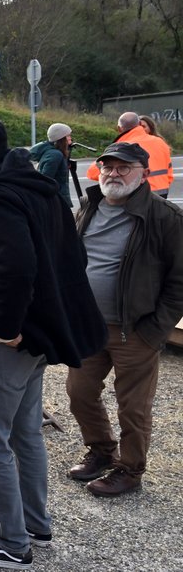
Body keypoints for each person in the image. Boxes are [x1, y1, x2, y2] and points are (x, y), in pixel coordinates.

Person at [0, 113, 104, 570]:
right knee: (25, 432)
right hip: (38, 334)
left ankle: (13, 543)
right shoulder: (35, 184)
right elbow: (70, 251)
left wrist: (7, 326)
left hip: (6, 339)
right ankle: (36, 524)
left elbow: (15, 266)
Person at [67, 142, 183, 497]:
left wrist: (154, 330)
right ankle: (101, 449)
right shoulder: (88, 206)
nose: (113, 174)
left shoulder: (164, 217)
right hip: (89, 325)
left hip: (135, 329)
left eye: (124, 168)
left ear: (144, 174)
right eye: (108, 167)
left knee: (133, 406)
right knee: (79, 393)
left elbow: (180, 281)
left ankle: (130, 469)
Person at [87, 111, 173, 197]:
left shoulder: (123, 146)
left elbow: (92, 172)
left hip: (137, 194)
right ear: (139, 124)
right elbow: (169, 171)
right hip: (162, 193)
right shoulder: (160, 142)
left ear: (119, 128)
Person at [28, 123, 73, 207]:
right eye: (68, 136)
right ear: (61, 138)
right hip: (55, 202)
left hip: (57, 199)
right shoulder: (55, 155)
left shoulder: (56, 153)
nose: (70, 138)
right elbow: (45, 179)